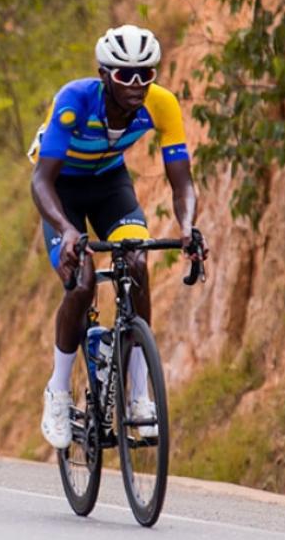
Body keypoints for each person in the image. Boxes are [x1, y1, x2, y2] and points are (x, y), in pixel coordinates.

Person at [30, 25, 208, 449]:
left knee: (137, 263)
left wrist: (187, 227)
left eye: (146, 74)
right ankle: (58, 392)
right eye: (125, 75)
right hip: (61, 188)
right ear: (104, 75)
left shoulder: (162, 104)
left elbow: (182, 182)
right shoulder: (74, 101)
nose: (137, 84)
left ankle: (139, 394)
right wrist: (67, 230)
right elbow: (41, 181)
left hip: (110, 184)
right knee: (82, 283)